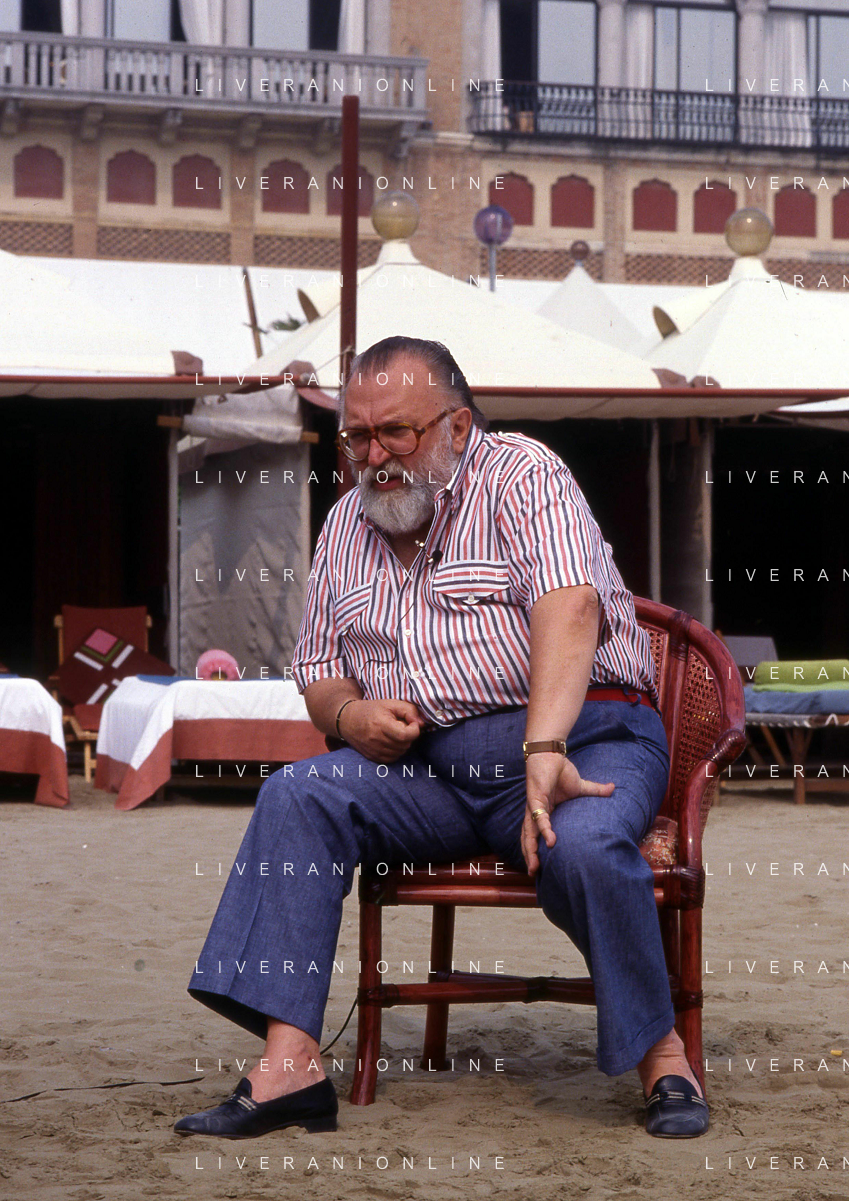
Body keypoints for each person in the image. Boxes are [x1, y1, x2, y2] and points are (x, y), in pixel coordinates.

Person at [174, 336, 709, 1140]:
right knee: (298, 795)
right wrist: (350, 718)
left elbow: (569, 606)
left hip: (583, 737)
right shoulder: (344, 526)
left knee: (585, 846)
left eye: (397, 431)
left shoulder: (521, 474)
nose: (374, 456)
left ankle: (660, 1053)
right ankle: (290, 1067)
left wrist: (543, 747)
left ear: (457, 426)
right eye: (357, 436)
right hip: (434, 769)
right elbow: (317, 670)